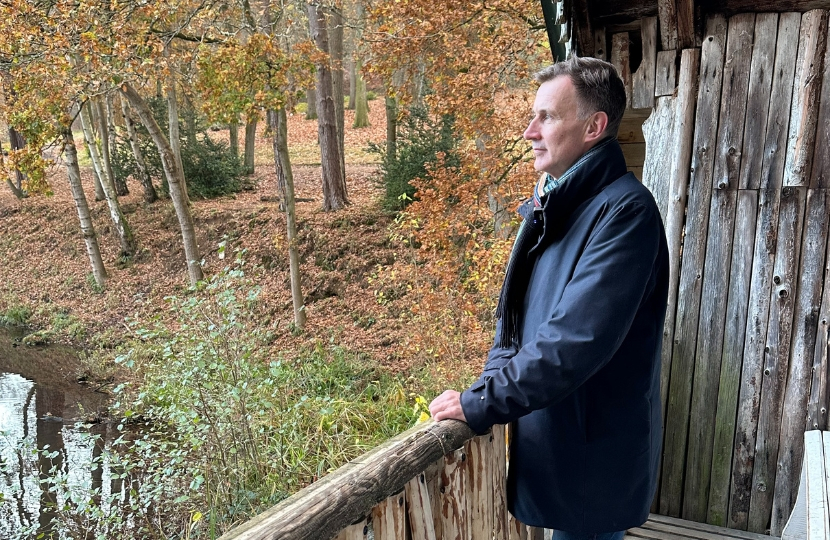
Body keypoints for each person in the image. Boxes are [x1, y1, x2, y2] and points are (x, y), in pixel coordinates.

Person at [429, 56, 670, 540]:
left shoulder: (626, 214)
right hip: (557, 451)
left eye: (547, 116)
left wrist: (481, 403)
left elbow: (574, 343)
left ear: (594, 126)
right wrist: (488, 386)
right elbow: (512, 321)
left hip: (590, 461)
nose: (529, 132)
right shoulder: (552, 204)